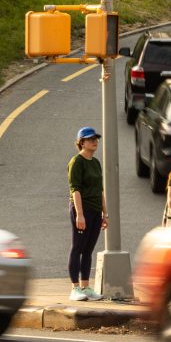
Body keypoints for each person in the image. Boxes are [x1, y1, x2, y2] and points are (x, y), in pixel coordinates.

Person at [67, 126, 108, 302]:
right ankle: (75, 288)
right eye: (91, 139)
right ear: (81, 142)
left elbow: (100, 190)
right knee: (78, 247)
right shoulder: (77, 162)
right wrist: (79, 214)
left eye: (96, 138)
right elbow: (75, 189)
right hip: (81, 210)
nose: (95, 141)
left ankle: (85, 287)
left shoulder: (96, 162)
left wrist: (105, 214)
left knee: (89, 250)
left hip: (95, 211)